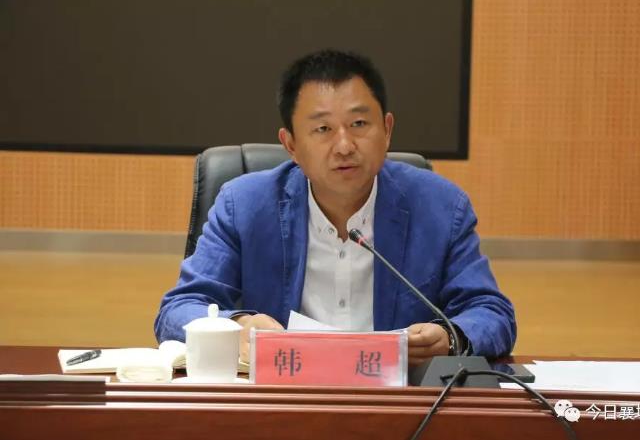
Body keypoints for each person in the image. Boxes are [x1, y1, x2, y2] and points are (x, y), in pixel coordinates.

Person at [155, 49, 516, 365]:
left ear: (387, 130)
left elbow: (492, 313)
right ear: (291, 145)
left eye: (359, 124)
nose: (344, 146)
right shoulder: (244, 206)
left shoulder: (441, 207)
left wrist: (451, 337)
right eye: (323, 129)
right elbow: (178, 310)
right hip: (281, 397)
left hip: (398, 402)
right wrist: (236, 327)